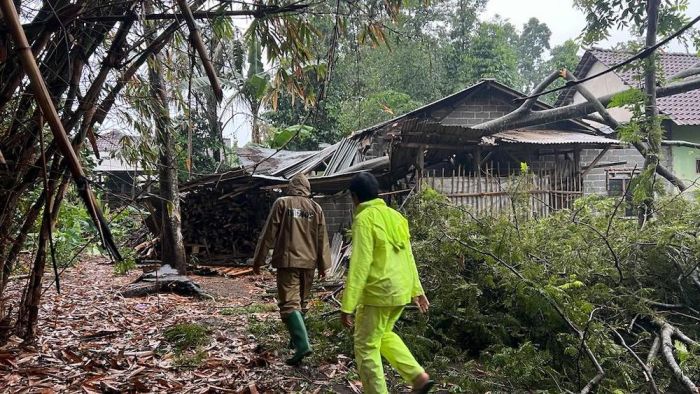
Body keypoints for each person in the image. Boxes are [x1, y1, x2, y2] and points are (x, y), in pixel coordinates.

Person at [340, 172, 434, 394]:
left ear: (354, 197)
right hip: (400, 291)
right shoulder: (395, 216)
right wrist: (416, 290)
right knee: (382, 334)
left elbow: (360, 265)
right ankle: (417, 377)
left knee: (366, 346)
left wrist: (347, 305)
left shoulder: (364, 219)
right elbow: (407, 256)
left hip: (378, 293)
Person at [252, 173, 331, 365]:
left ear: (292, 186)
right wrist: (323, 265)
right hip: (309, 263)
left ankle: (302, 345)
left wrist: (258, 260)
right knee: (301, 302)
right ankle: (294, 341)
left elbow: (269, 233)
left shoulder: (282, 203)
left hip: (288, 261)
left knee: (289, 303)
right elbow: (322, 238)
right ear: (307, 187)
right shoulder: (316, 208)